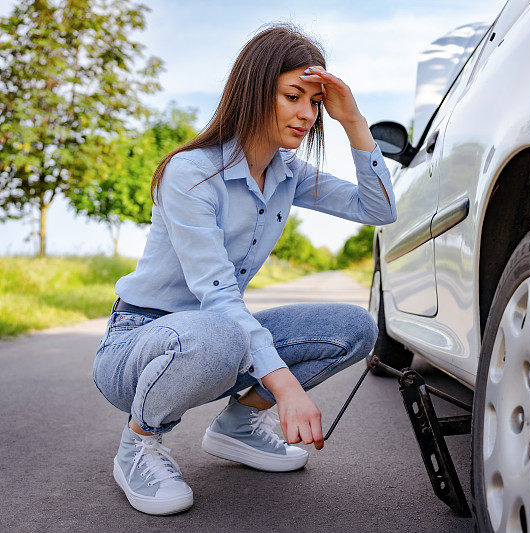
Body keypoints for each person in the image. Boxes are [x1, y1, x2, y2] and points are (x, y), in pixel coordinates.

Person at [91, 23, 397, 516]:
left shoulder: (287, 172)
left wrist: (354, 123)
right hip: (139, 343)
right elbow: (217, 298)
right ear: (256, 93)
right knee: (219, 332)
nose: (306, 114)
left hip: (221, 336)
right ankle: (138, 444)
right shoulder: (191, 172)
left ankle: (236, 428)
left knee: (353, 328)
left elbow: (378, 209)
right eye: (293, 96)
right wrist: (288, 388)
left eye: (315, 102)